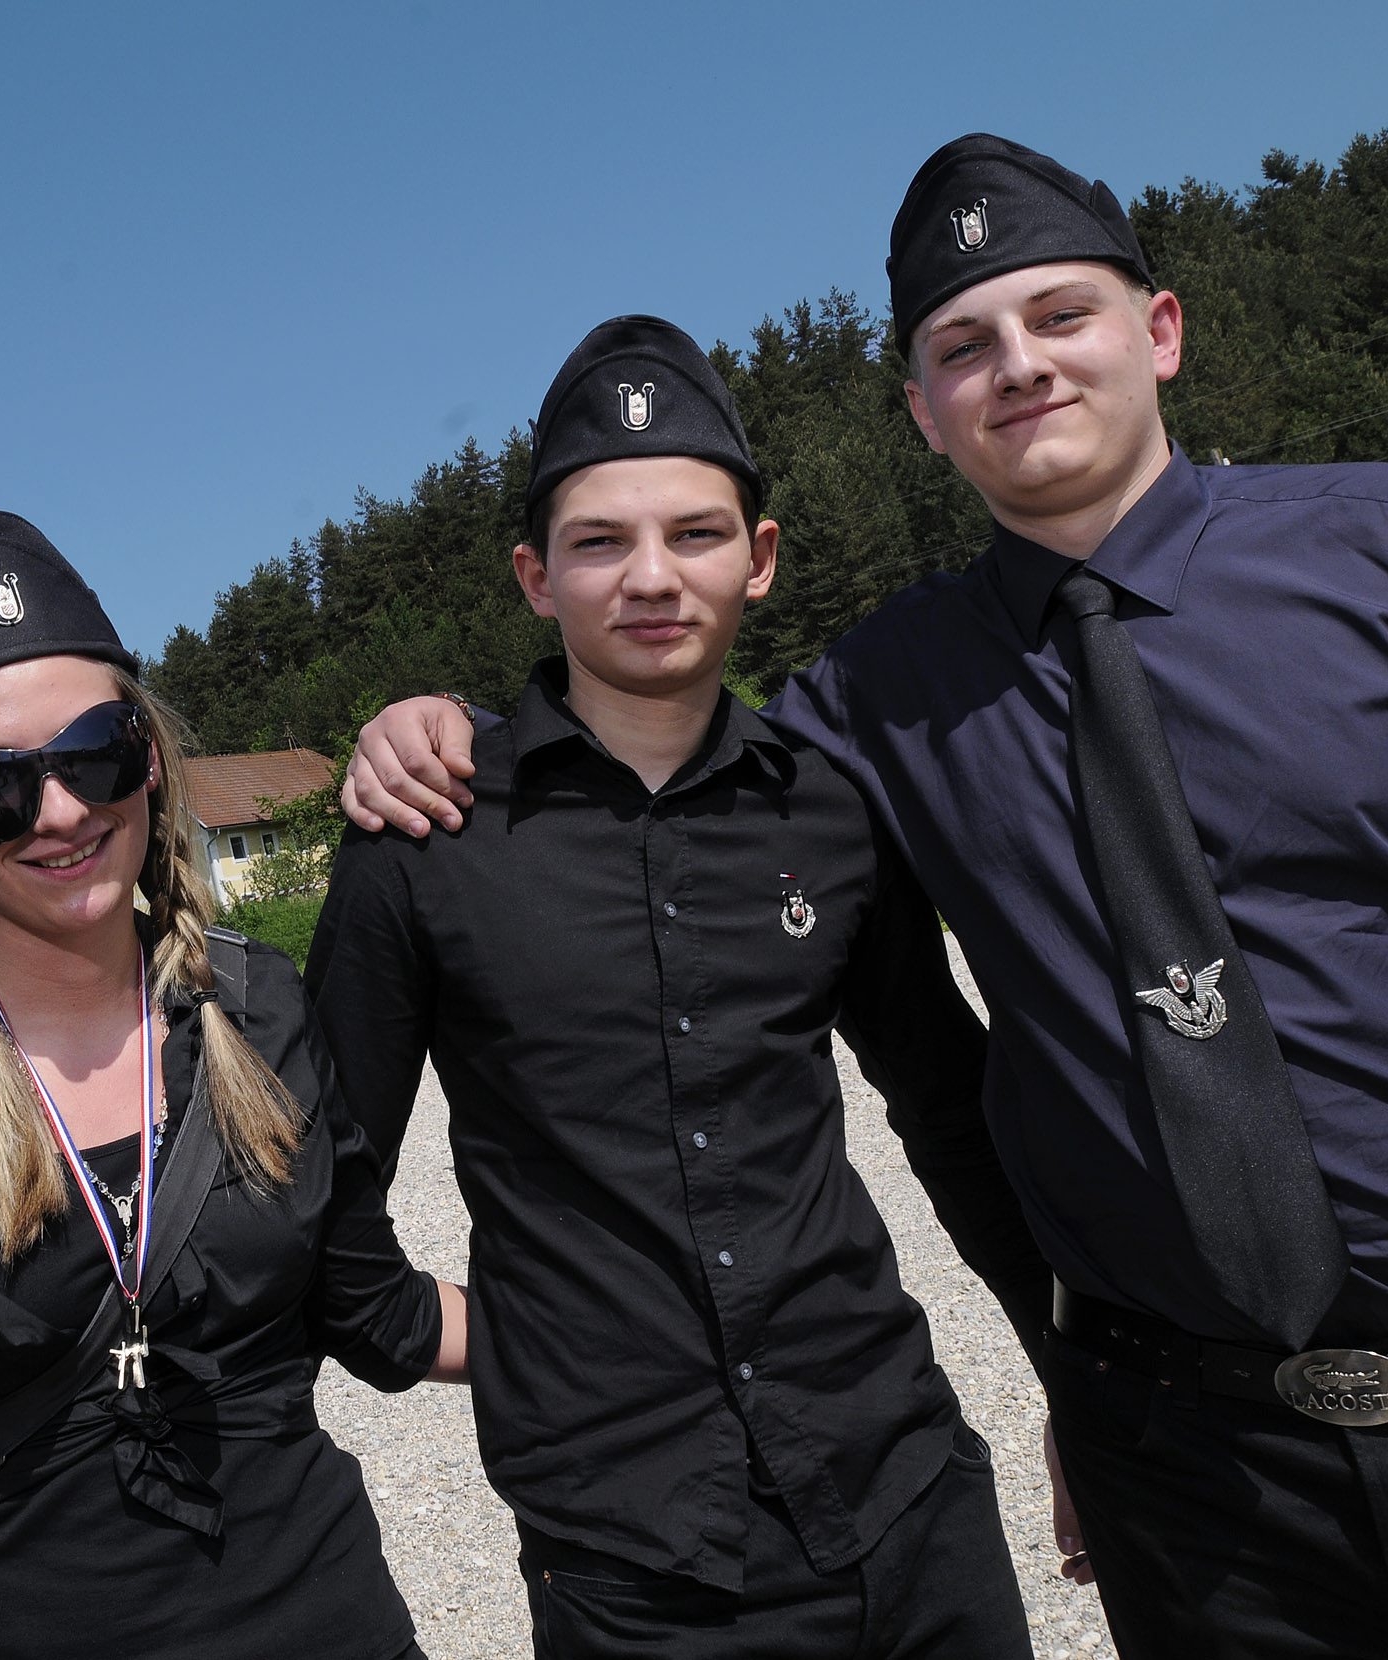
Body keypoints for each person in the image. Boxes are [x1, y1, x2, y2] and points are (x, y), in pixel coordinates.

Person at [342, 135, 1388, 1659]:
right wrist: (444, 727)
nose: (1020, 367)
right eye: (963, 347)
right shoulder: (875, 705)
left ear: (1163, 329)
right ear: (922, 415)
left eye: (1061, 315)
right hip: (1196, 1466)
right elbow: (658, 743)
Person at [304, 318, 1041, 1659]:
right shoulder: (427, 834)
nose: (652, 577)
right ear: (536, 576)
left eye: (697, 534)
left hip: (908, 1492)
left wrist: (1076, 1393)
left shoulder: (830, 808)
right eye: (600, 543)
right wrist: (407, 1329)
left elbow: (945, 1105)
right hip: (637, 1561)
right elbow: (319, 1156)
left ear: (759, 561)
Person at [0, 510, 466, 1660]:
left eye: (95, 753)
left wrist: (624, 1326)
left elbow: (375, 1314)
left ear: (152, 756)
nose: (63, 812)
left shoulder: (263, 1007)